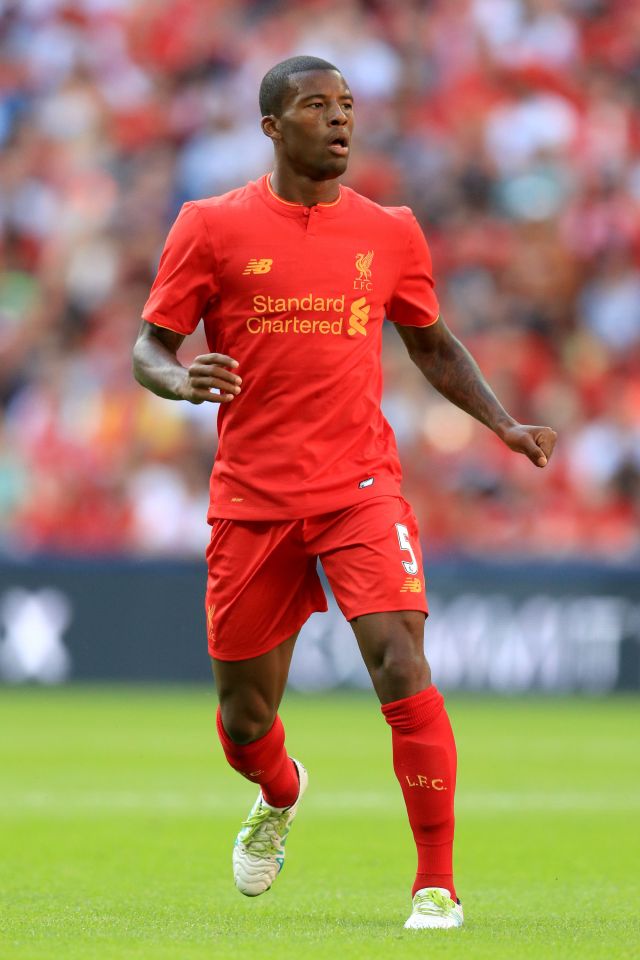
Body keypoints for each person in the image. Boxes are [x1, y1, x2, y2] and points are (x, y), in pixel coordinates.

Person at [133, 55, 557, 931]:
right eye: (316, 106)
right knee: (245, 723)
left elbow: (431, 344)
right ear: (271, 128)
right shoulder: (209, 226)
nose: (339, 120)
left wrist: (504, 424)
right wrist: (176, 382)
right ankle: (281, 794)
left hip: (360, 486)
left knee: (400, 660)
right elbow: (149, 346)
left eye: (348, 106)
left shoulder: (392, 230)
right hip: (252, 497)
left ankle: (435, 884)